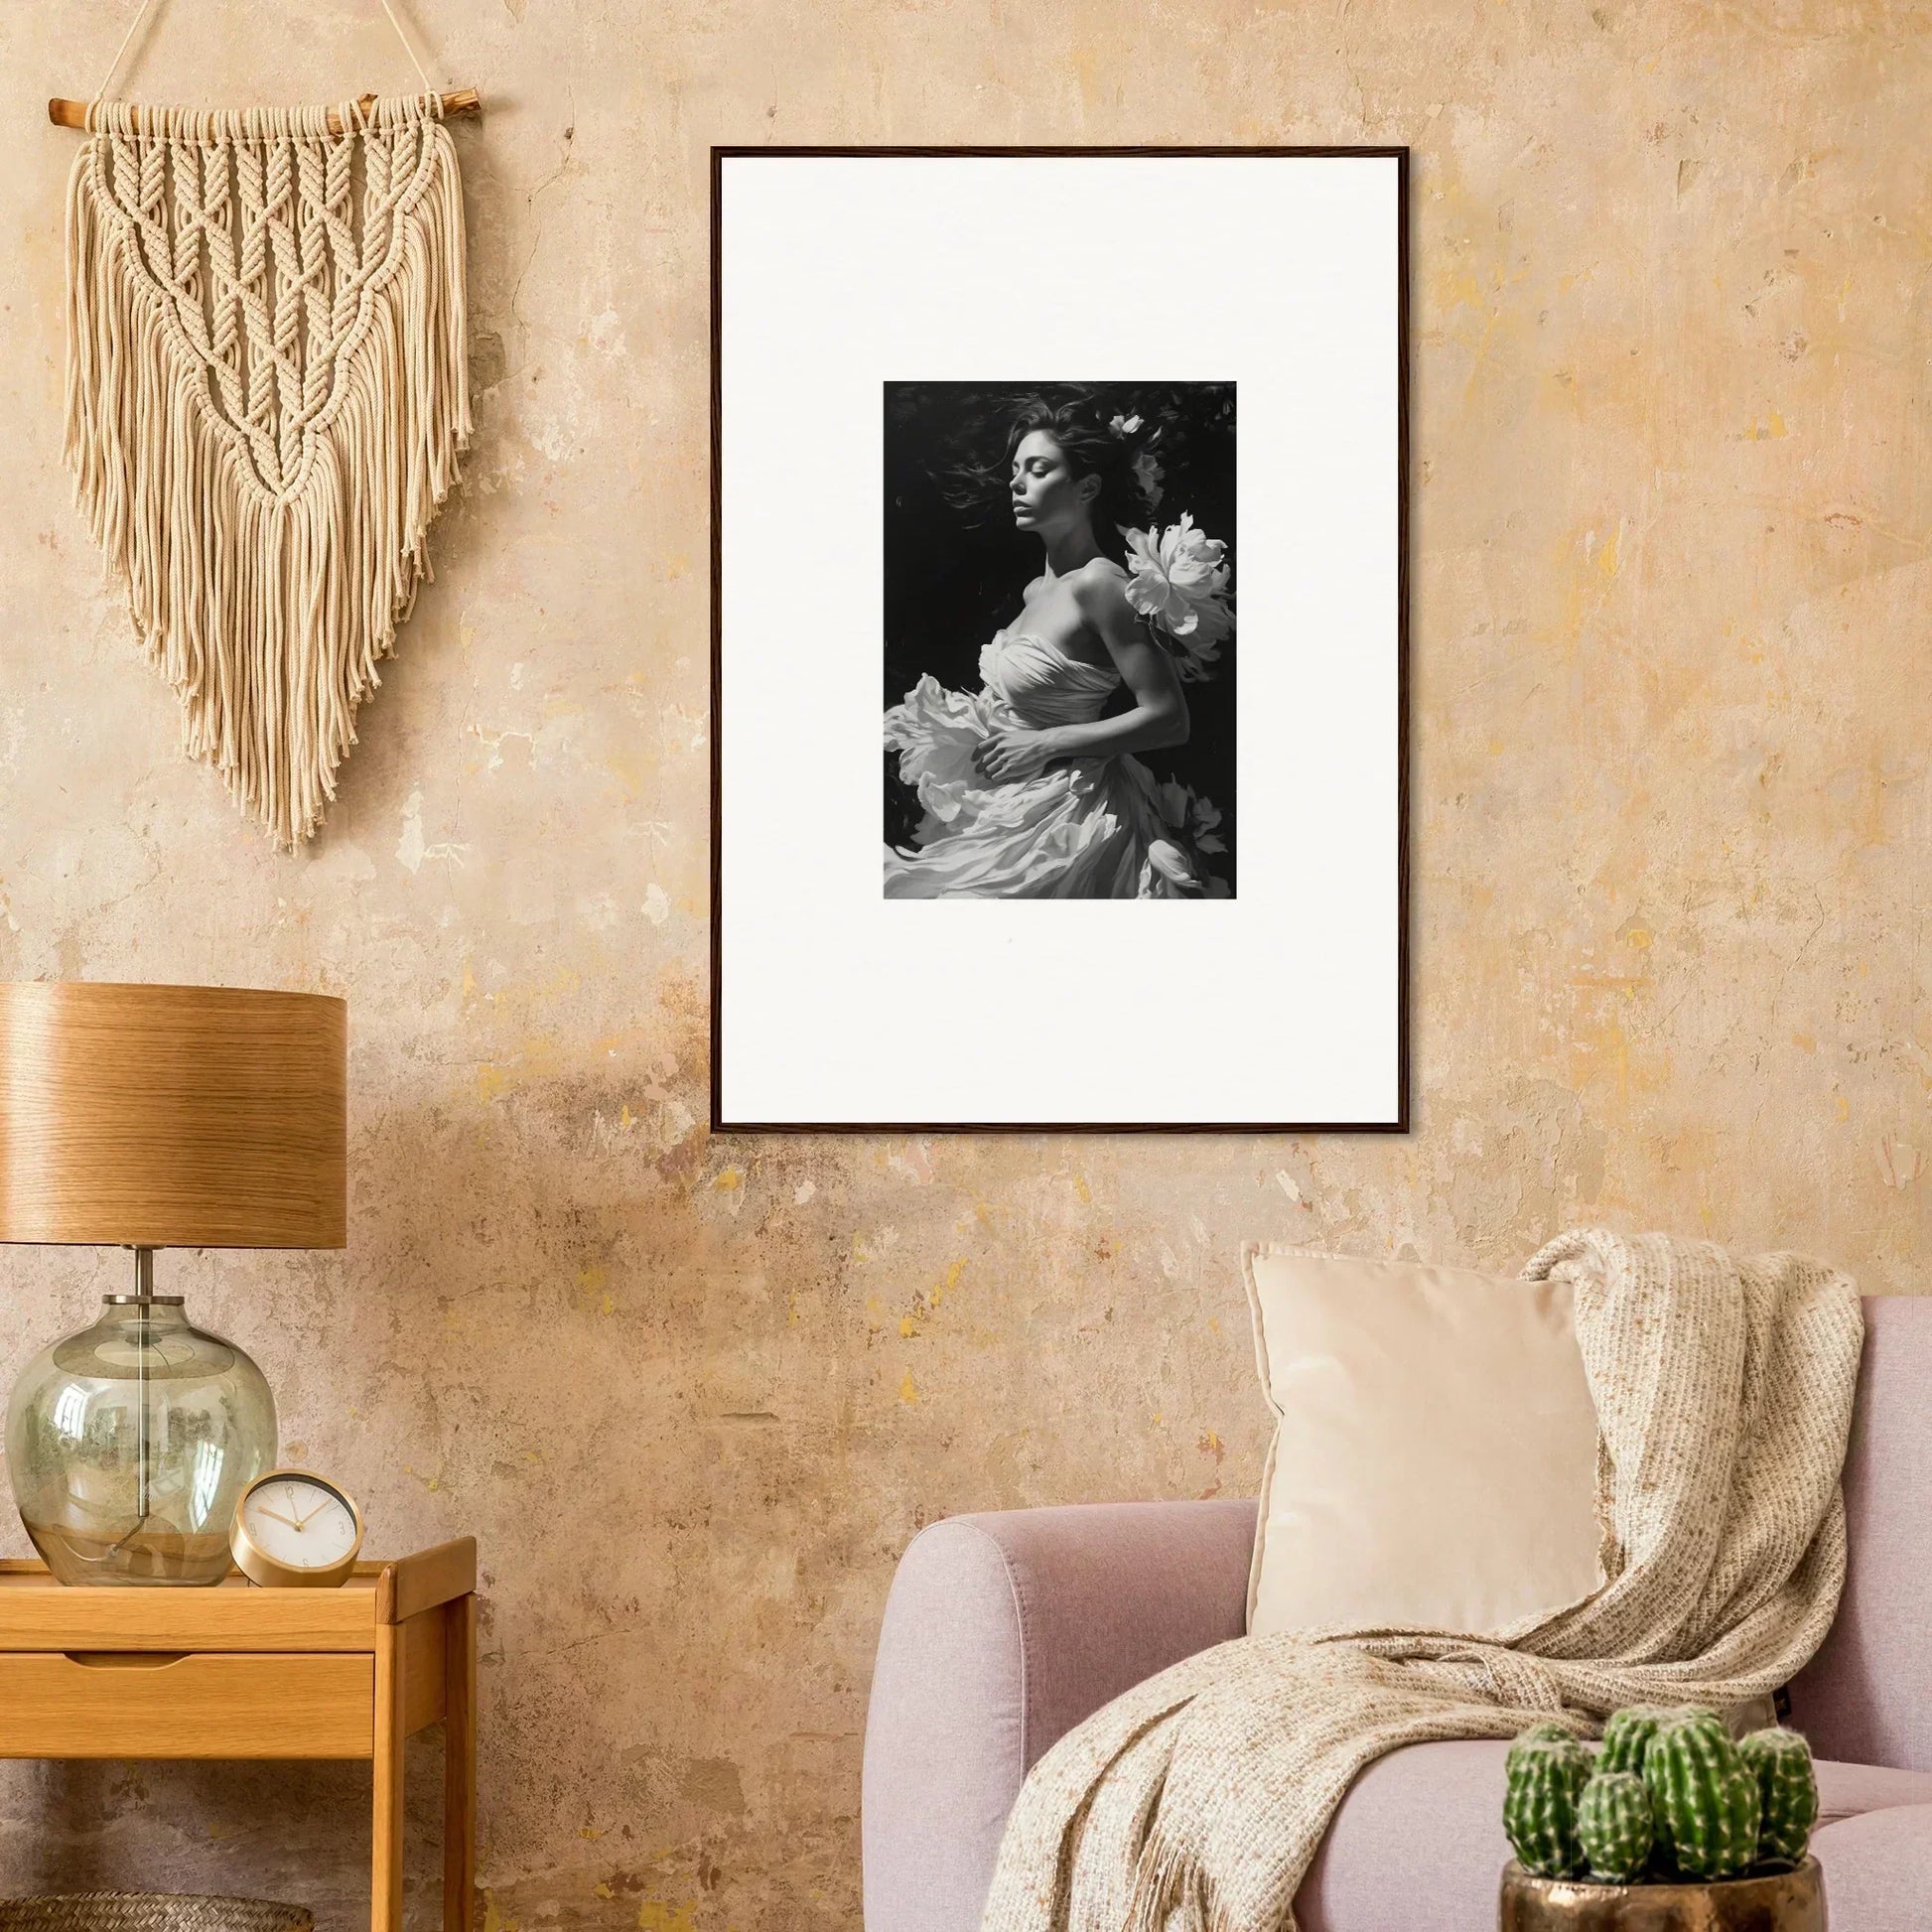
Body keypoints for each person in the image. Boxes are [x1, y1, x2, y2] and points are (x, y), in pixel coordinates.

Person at [884, 398, 1221, 899]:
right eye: (1016, 470)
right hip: (1011, 803)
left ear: (1087, 487)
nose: (1016, 483)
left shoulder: (1100, 584)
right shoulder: (1035, 593)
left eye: (1038, 470)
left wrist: (1044, 743)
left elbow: (1170, 718)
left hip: (1071, 815)